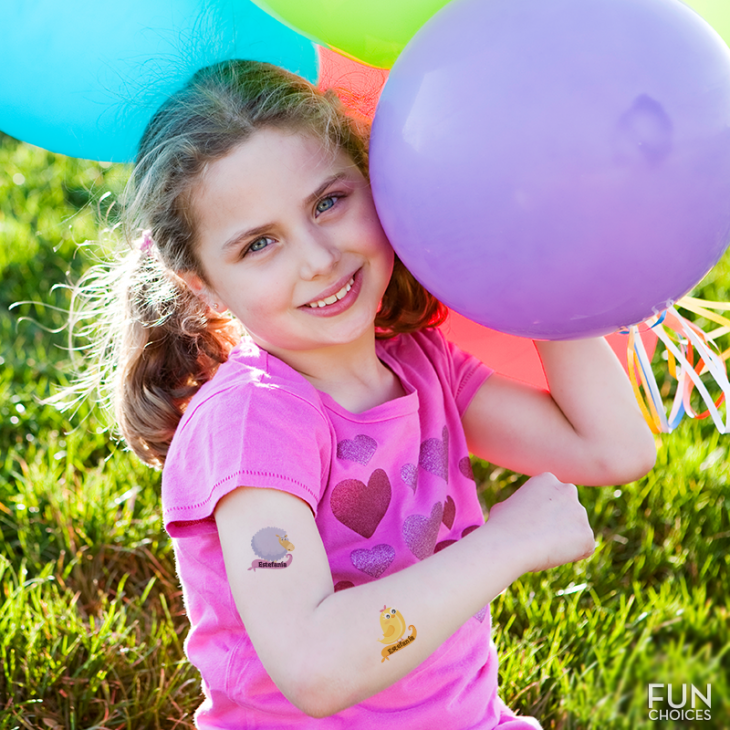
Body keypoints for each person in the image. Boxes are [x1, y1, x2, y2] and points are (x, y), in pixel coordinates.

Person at [70, 59, 656, 728]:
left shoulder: (421, 365)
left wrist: (533, 267)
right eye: (260, 243)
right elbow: (315, 669)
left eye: (328, 201)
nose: (318, 258)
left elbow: (611, 450)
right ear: (200, 282)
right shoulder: (251, 426)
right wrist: (502, 545)